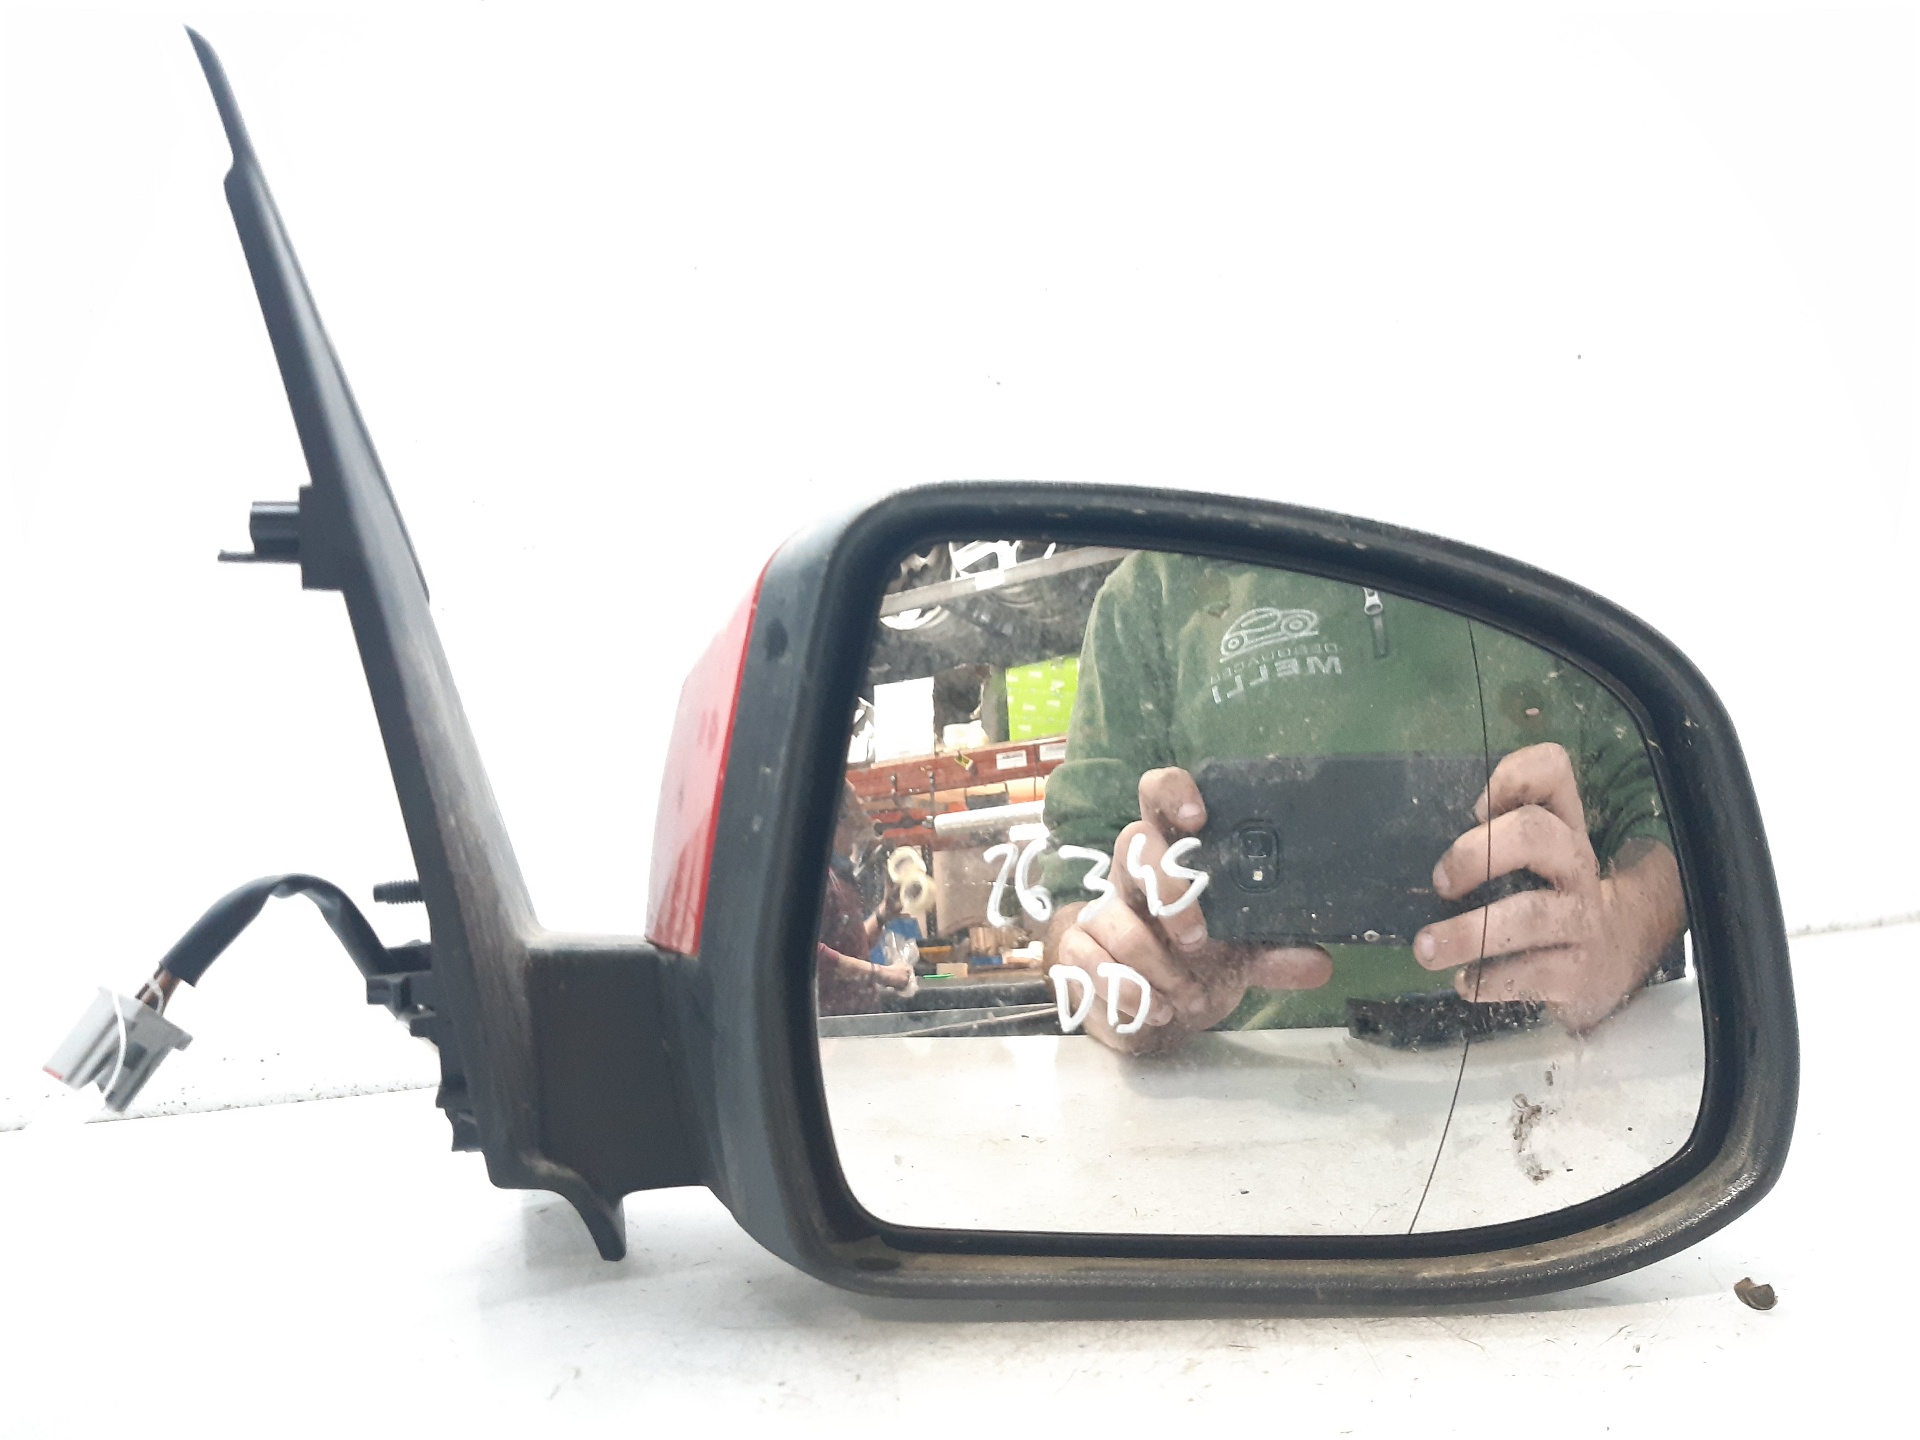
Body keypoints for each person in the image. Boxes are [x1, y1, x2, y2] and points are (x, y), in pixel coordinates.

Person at [1039, 551, 1687, 1054]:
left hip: (1564, 1079)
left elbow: (1673, 806)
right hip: (1256, 1098)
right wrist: (1129, 979)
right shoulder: (1151, 588)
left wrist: (1620, 931)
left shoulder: (1561, 546)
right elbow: (1079, 880)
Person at [816, 782, 918, 1015]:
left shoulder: (842, 875)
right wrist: (882, 973)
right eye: (856, 800)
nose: (862, 804)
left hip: (857, 1017)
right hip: (835, 1025)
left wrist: (882, 915)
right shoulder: (821, 877)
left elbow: (847, 945)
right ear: (840, 815)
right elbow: (813, 956)